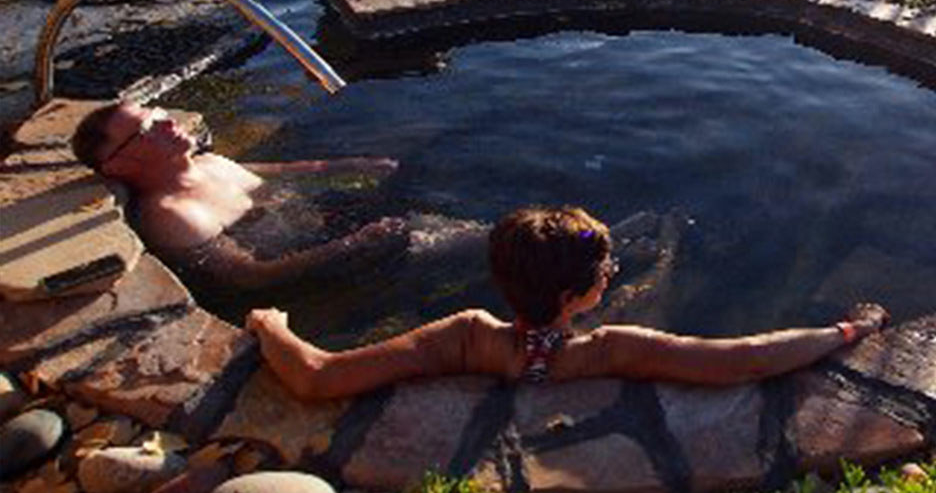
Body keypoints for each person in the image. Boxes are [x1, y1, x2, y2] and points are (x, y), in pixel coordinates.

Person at [246, 205, 889, 396]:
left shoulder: (465, 335)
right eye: (604, 268)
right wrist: (844, 332)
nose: (610, 273)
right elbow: (743, 359)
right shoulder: (610, 349)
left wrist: (270, 323)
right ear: (577, 296)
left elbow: (317, 375)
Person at [70, 100, 410, 290]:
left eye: (157, 113)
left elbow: (277, 173)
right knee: (456, 238)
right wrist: (352, 245)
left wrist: (349, 165)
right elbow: (249, 276)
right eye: (147, 128)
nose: (168, 122)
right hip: (318, 257)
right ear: (118, 165)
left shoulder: (208, 162)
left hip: (321, 221)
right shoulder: (174, 215)